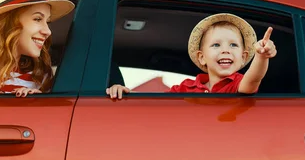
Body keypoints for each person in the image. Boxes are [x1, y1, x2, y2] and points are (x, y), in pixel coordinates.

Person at [106, 13, 277, 98]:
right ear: (202, 57)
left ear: (243, 56)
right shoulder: (186, 87)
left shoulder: (237, 84)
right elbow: (156, 103)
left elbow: (253, 79)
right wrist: (127, 93)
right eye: (216, 45)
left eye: (233, 45)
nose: (225, 50)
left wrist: (261, 57)